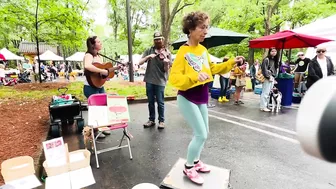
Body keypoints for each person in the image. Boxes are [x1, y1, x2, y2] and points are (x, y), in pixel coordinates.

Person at [168, 11, 243, 185]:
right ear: (191, 29)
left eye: (206, 28)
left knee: (204, 133)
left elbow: (213, 69)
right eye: (202, 27)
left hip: (202, 97)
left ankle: (195, 161)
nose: (205, 31)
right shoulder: (183, 52)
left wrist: (231, 62)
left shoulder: (202, 50)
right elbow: (174, 79)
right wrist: (194, 77)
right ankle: (188, 167)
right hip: (187, 97)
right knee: (201, 134)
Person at [83, 36, 121, 138]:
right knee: (95, 109)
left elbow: (101, 72)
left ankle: (102, 127)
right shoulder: (89, 55)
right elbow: (87, 66)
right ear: (92, 45)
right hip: (90, 87)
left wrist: (106, 75)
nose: (101, 43)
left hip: (99, 85)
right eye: (98, 42)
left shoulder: (100, 57)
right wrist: (102, 71)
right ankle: (95, 131)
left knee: (103, 107)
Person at [139, 32, 172, 129]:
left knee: (160, 102)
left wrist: (166, 63)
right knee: (150, 101)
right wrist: (148, 57)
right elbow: (140, 63)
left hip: (160, 81)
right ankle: (151, 120)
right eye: (156, 39)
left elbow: (166, 70)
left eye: (159, 39)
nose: (158, 41)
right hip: (149, 79)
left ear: (163, 40)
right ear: (154, 40)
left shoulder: (167, 53)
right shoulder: (149, 50)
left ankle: (161, 121)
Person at [260, 48, 279, 112]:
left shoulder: (275, 60)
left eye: (275, 51)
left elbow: (275, 70)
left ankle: (266, 105)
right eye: (272, 51)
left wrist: (274, 77)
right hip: (268, 77)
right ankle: (263, 106)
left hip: (272, 77)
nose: (274, 52)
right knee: (265, 92)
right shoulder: (266, 59)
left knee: (268, 92)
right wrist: (268, 77)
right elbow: (264, 69)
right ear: (269, 52)